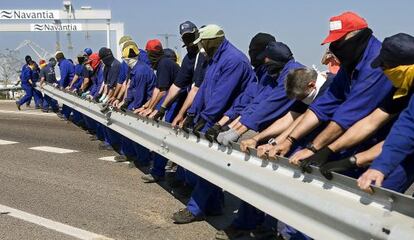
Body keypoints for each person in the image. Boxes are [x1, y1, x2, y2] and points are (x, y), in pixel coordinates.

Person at [272, 12, 393, 172]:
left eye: (339, 42)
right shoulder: (351, 62)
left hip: (389, 141)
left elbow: (349, 114)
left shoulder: (375, 64)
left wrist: (314, 148)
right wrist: (288, 140)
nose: (335, 48)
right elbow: (324, 104)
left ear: (356, 37)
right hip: (358, 136)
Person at [171, 24, 256, 224]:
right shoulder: (213, 58)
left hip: (226, 121)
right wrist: (192, 114)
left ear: (211, 41)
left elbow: (222, 95)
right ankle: (215, 205)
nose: (200, 46)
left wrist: (206, 119)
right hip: (211, 117)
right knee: (207, 165)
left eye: (203, 42)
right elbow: (204, 88)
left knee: (210, 165)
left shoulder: (233, 60)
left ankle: (195, 208)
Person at [313, 33, 414, 192]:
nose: (383, 72)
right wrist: (330, 150)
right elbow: (373, 122)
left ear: (400, 68)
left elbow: (408, 133)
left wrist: (357, 160)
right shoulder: (403, 88)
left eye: (384, 67)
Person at [214, 41, 304, 146]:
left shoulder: (291, 76)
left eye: (266, 58)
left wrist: (238, 131)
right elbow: (258, 103)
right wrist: (232, 127)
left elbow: (269, 106)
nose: (263, 61)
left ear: (274, 60)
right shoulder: (274, 76)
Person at [136, 39, 182, 182]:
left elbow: (162, 91)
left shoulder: (163, 64)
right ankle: (167, 171)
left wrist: (155, 110)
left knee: (165, 137)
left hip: (178, 103)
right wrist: (148, 107)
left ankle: (159, 171)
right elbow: (158, 89)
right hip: (175, 102)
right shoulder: (163, 64)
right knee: (168, 137)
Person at [55, 51, 75, 120]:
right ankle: (64, 112)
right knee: (67, 100)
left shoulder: (63, 64)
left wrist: (61, 86)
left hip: (71, 84)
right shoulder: (67, 62)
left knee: (68, 100)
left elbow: (64, 76)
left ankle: (66, 115)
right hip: (71, 82)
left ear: (57, 59)